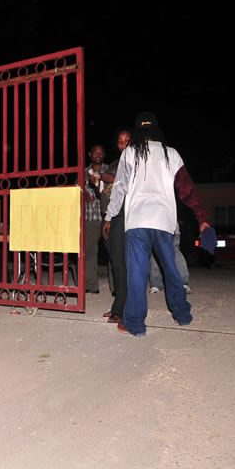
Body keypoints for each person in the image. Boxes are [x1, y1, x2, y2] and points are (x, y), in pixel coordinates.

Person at [103, 112, 210, 336]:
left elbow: (120, 188)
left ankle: (135, 324)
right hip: (163, 220)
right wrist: (202, 218)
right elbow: (188, 190)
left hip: (137, 221)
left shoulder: (130, 153)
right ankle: (183, 315)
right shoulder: (171, 154)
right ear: (157, 130)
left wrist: (109, 216)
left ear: (137, 132)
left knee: (137, 273)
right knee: (170, 269)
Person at [100, 127, 131, 323]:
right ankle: (119, 305)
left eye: (127, 140)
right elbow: (112, 192)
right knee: (118, 261)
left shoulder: (138, 160)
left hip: (132, 214)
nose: (123, 145)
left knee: (127, 262)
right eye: (120, 141)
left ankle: (125, 308)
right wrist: (109, 217)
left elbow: (132, 186)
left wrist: (114, 179)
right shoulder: (115, 163)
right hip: (116, 213)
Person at [84, 143, 109, 294]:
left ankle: (116, 288)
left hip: (108, 217)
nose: (98, 155)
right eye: (95, 152)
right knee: (89, 253)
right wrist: (83, 197)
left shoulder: (110, 170)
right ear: (90, 154)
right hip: (89, 217)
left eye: (100, 153)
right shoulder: (82, 172)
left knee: (113, 253)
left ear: (104, 155)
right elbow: (76, 193)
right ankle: (91, 286)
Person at [149, 222, 191, 293]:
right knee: (154, 253)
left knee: (174, 251)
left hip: (171, 226)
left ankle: (183, 282)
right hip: (153, 226)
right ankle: (156, 283)